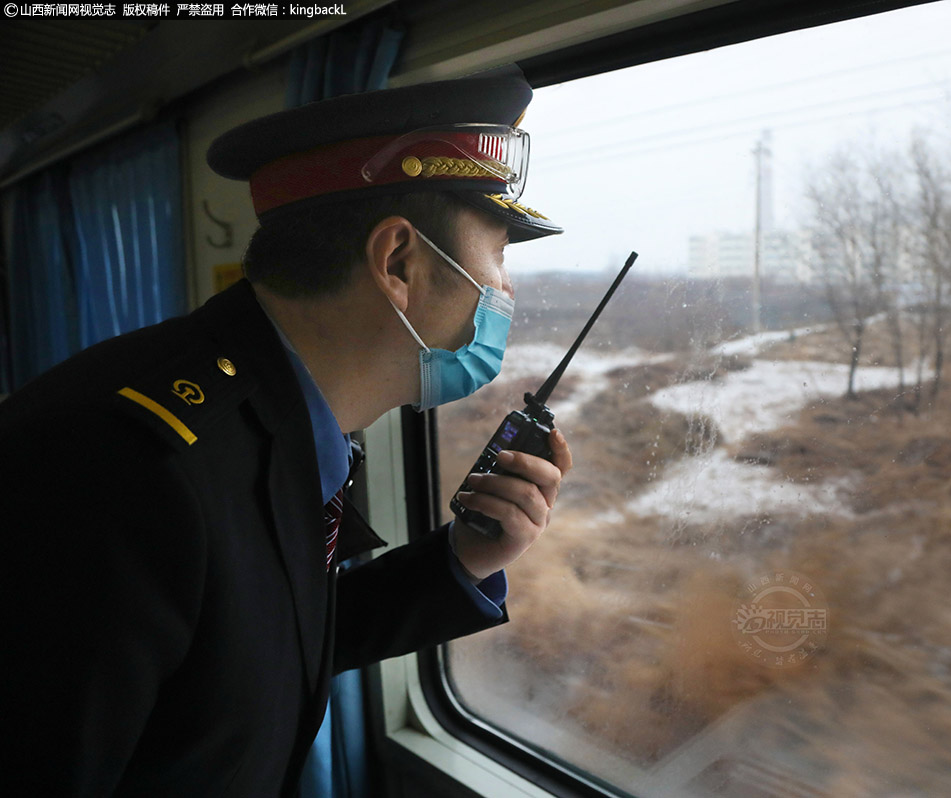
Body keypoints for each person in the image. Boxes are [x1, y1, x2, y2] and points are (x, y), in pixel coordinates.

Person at [0, 72, 572, 796]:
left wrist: (460, 561)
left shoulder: (276, 419)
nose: (505, 291)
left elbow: (250, 641)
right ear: (398, 261)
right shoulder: (123, 467)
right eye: (500, 257)